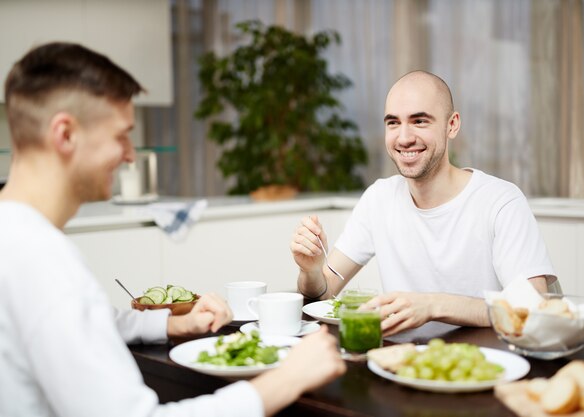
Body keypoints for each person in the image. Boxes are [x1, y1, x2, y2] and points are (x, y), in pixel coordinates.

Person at [0, 42, 345, 417]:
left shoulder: (15, 236)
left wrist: (173, 323)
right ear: (65, 135)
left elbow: (83, 321)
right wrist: (288, 378)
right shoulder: (42, 262)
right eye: (121, 136)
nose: (130, 154)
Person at [291, 70, 555, 337]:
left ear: (452, 125)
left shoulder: (500, 201)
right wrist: (310, 272)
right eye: (393, 123)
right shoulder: (379, 198)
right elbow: (325, 290)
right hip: (396, 363)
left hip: (481, 365)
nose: (404, 137)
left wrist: (432, 305)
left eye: (419, 121)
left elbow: (533, 306)